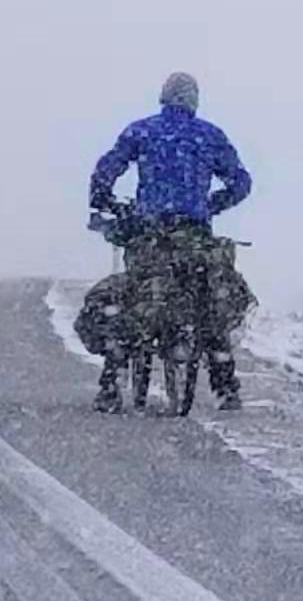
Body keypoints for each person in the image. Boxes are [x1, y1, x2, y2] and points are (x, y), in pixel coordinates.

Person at [88, 72, 253, 412]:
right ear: (193, 101)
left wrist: (102, 198)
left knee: (133, 295)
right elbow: (240, 182)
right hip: (194, 235)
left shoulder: (142, 131)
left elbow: (107, 167)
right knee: (207, 297)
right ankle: (225, 383)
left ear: (163, 97)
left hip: (149, 233)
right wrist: (210, 205)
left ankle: (111, 383)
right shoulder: (209, 135)